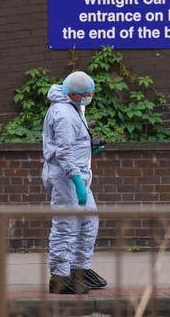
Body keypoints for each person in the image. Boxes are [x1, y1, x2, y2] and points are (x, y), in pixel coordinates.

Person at [41, 71, 107, 294]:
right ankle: (59, 275)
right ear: (76, 94)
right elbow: (64, 151)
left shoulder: (74, 107)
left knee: (89, 220)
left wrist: (90, 145)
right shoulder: (63, 114)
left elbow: (75, 142)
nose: (91, 96)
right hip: (66, 178)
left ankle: (79, 268)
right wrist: (77, 180)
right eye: (88, 93)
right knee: (66, 225)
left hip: (78, 175)